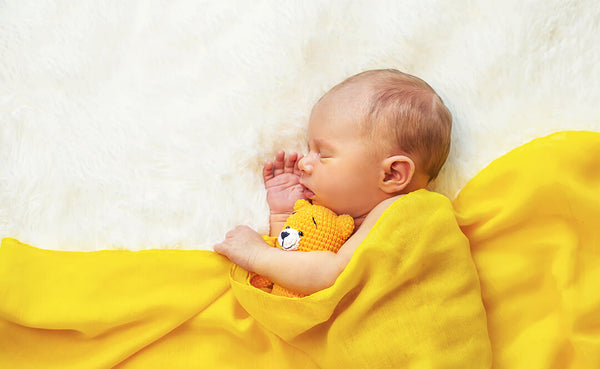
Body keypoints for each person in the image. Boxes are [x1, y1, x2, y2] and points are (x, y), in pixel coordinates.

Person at [214, 69, 452, 296]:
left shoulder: (406, 211)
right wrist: (285, 215)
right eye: (308, 150)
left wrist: (257, 255)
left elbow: (329, 277)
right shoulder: (354, 225)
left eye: (323, 153)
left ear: (392, 174)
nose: (304, 163)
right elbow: (295, 281)